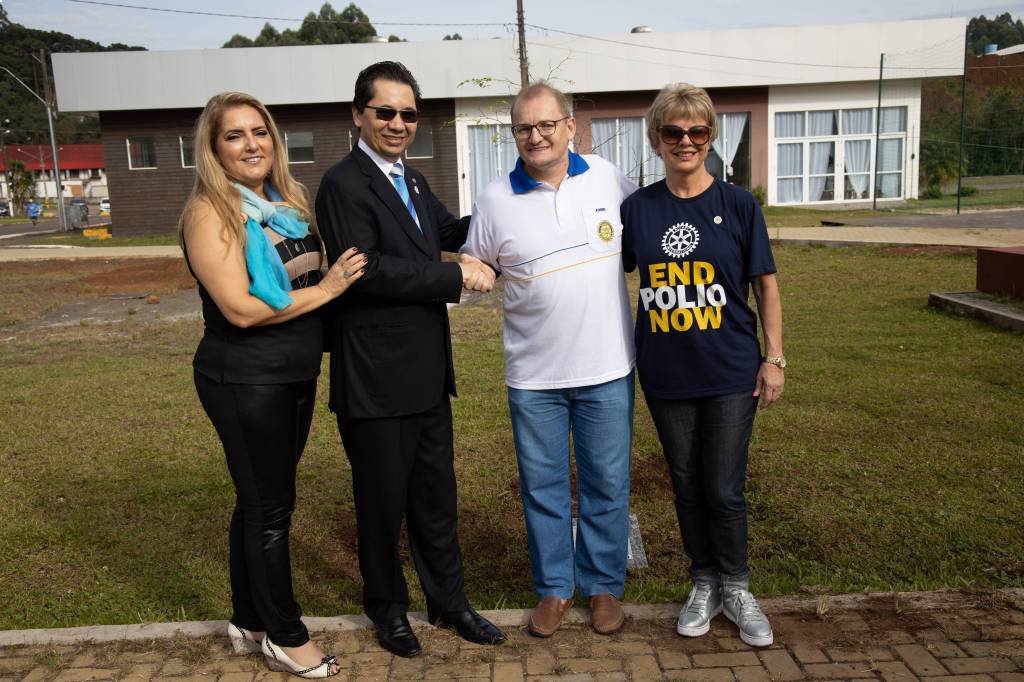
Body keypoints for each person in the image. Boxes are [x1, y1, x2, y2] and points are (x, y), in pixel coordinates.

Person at [314, 61, 505, 659]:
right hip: (375, 378)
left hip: (426, 375)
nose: (398, 124)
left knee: (435, 498)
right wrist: (455, 275)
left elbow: (449, 231)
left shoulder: (413, 180)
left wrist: (510, 216)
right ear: (358, 115)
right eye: (385, 112)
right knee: (381, 502)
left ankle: (448, 603)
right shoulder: (343, 184)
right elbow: (366, 269)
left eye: (408, 114)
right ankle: (387, 608)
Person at [179, 91, 366, 678]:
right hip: (245, 379)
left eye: (259, 132)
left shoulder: (285, 203)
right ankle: (285, 636)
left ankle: (248, 619)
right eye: (234, 135)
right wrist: (329, 290)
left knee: (259, 501)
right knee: (269, 509)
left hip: (293, 373)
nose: (251, 144)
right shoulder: (210, 213)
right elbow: (240, 309)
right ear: (214, 149)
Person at [461, 81, 637, 638]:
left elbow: (650, 229)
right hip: (534, 376)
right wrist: (472, 269)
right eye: (523, 128)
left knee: (607, 482)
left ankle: (603, 586)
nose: (535, 136)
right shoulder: (494, 199)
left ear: (570, 127)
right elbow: (475, 260)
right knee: (543, 488)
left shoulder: (609, 178)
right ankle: (555, 588)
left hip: (607, 366)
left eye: (545, 125)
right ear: (513, 134)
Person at [620, 83, 785, 647]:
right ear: (656, 139)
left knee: (723, 486)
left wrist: (774, 358)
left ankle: (736, 586)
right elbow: (603, 269)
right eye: (673, 131)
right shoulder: (638, 209)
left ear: (711, 137)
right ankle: (704, 582)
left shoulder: (738, 205)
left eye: (697, 131)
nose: (685, 141)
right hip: (666, 373)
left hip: (730, 372)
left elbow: (765, 285)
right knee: (687, 485)